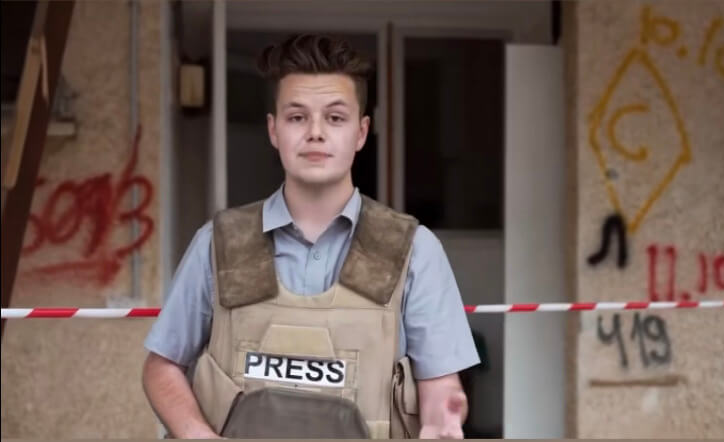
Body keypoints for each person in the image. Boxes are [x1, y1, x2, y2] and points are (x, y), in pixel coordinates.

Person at [141, 33, 479, 439]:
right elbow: (161, 366)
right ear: (273, 130)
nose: (315, 133)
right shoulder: (219, 243)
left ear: (360, 132)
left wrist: (442, 419)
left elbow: (441, 385)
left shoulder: (414, 250)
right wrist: (198, 435)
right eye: (297, 117)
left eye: (335, 118)